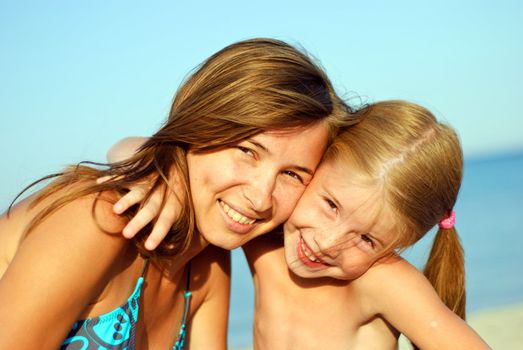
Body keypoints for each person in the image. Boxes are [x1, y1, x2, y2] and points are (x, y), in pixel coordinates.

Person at [0, 38, 351, 349]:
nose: (261, 198)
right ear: (198, 126)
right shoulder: (101, 220)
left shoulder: (207, 265)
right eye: (247, 151)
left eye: (291, 174)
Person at [115, 101, 491, 349]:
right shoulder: (266, 240)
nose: (327, 242)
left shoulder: (383, 283)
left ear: (402, 243)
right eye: (330, 204)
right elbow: (125, 148)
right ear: (313, 168)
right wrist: (172, 176)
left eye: (365, 238)